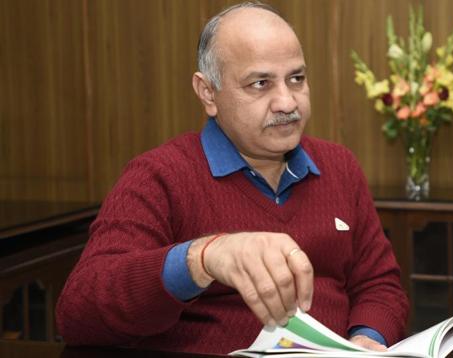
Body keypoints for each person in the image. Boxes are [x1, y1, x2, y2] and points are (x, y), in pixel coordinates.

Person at [56, 2, 408, 355]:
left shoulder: (339, 166)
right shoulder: (159, 176)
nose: (287, 102)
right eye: (260, 83)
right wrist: (202, 257)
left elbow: (379, 285)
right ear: (208, 92)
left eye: (296, 79)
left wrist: (368, 339)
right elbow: (78, 313)